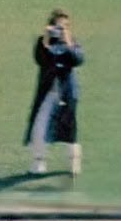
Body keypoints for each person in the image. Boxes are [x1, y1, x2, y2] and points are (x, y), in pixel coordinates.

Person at [23, 9, 86, 175]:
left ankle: (74, 161)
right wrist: (46, 38)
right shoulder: (44, 42)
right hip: (48, 92)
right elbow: (40, 59)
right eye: (58, 26)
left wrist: (68, 42)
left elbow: (78, 59)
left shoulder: (72, 42)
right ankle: (39, 161)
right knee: (39, 126)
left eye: (65, 26)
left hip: (67, 93)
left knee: (69, 129)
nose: (60, 30)